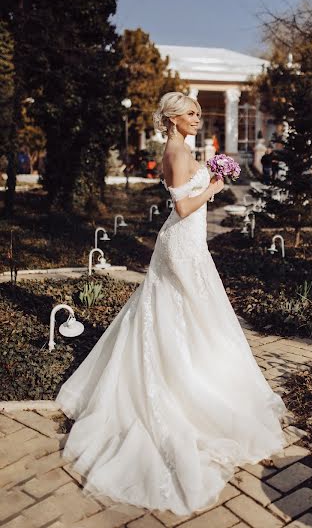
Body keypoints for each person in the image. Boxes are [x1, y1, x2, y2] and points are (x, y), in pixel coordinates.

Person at [55, 92, 287, 516]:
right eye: (190, 113)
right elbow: (181, 207)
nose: (197, 118)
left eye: (199, 112)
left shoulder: (183, 149)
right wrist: (214, 185)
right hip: (182, 244)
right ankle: (182, 387)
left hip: (187, 242)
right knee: (189, 312)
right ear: (172, 118)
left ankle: (197, 375)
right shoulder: (176, 151)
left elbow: (187, 204)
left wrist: (211, 180)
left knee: (181, 314)